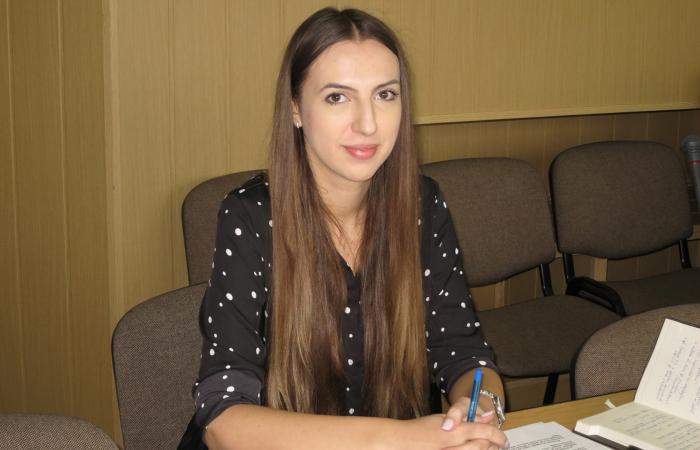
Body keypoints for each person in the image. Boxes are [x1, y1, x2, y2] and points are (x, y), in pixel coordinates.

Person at [180, 7, 508, 450]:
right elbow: (223, 420)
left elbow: (463, 351)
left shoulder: (422, 204)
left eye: (385, 95)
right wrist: (400, 438)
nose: (368, 124)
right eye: (338, 97)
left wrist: (480, 410)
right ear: (295, 109)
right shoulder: (251, 216)